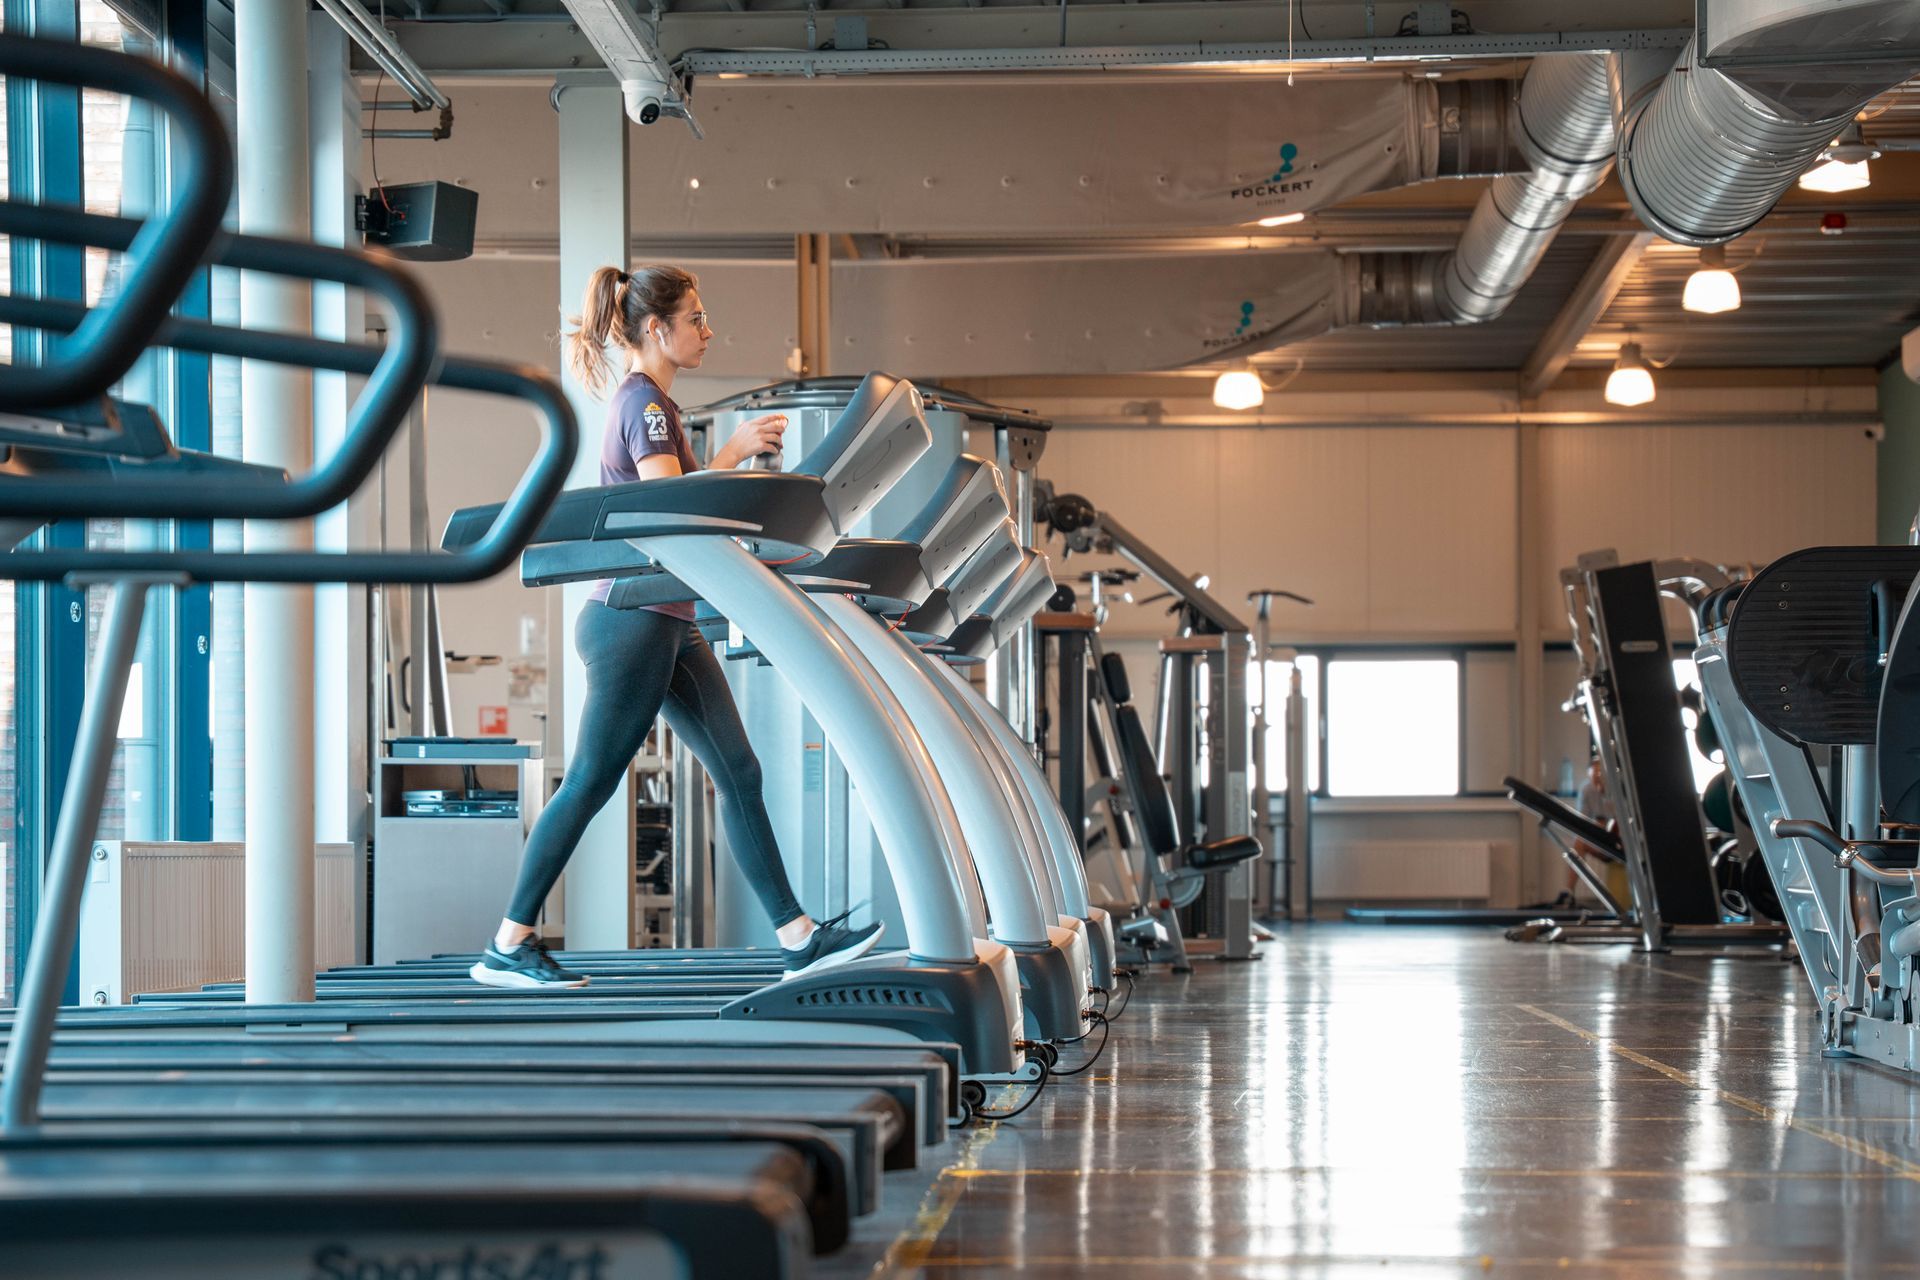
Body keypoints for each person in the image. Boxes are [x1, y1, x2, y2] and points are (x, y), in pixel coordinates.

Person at [470, 264, 883, 989]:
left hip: (666, 617)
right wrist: (733, 459)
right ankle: (507, 943)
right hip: (632, 619)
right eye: (696, 317)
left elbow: (675, 505)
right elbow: (671, 511)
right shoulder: (647, 406)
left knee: (739, 770)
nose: (707, 329)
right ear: (657, 329)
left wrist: (734, 463)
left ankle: (797, 936)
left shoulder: (650, 405)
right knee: (594, 779)